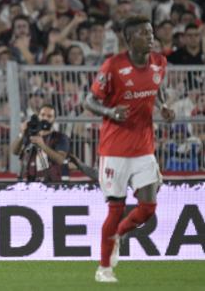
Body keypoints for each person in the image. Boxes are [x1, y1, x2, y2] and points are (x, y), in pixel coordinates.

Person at [84, 16, 175, 283]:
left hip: (144, 146)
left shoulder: (159, 62)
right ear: (130, 38)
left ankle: (118, 235)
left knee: (148, 207)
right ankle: (104, 269)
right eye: (145, 34)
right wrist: (110, 111)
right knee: (115, 208)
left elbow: (155, 88)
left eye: (151, 32)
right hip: (114, 150)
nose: (151, 37)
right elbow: (89, 101)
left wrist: (163, 107)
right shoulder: (113, 66)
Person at [11, 104, 70, 182]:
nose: (45, 118)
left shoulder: (60, 137)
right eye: (42, 115)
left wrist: (43, 145)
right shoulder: (29, 135)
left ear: (54, 119)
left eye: (49, 116)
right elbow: (14, 151)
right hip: (28, 184)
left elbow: (61, 160)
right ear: (38, 116)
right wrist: (21, 134)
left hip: (51, 184)